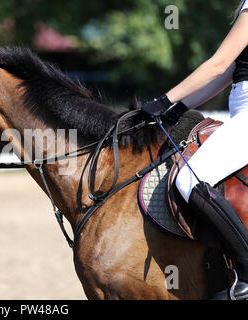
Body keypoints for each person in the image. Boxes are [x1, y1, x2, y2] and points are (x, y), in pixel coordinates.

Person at [141, 1, 248, 300]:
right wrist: (179, 106)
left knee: (188, 179)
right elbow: (226, 73)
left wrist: (164, 100)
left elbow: (215, 64)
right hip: (241, 111)